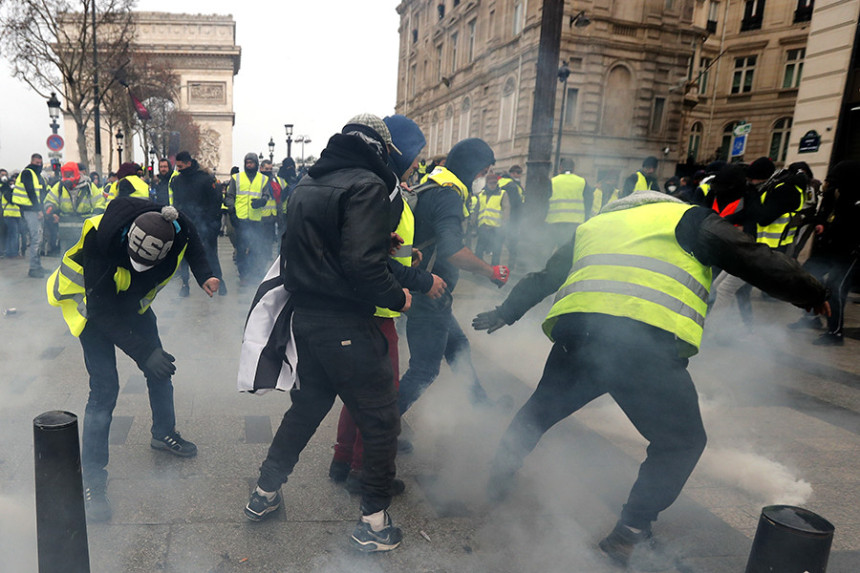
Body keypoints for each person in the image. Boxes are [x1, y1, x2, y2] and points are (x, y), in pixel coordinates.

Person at [472, 188, 829, 569]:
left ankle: (496, 480)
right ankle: (629, 535)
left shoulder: (595, 224)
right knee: (682, 442)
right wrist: (811, 292)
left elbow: (546, 276)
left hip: (579, 336)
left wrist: (505, 312)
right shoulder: (688, 219)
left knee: (539, 411)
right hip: (642, 342)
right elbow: (753, 257)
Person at [245, 114, 410, 553]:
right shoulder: (368, 185)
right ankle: (374, 523)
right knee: (379, 421)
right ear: (379, 148)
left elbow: (310, 248)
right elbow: (361, 266)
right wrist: (399, 297)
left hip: (308, 320)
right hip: (348, 324)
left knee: (307, 409)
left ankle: (263, 494)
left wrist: (374, 243)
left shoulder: (308, 184)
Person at [46, 197, 219, 522]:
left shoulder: (175, 225)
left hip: (131, 303)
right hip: (92, 305)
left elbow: (193, 238)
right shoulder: (102, 241)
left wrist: (204, 274)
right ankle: (93, 482)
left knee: (161, 369)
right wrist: (143, 353)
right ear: (128, 239)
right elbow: (102, 313)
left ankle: (163, 433)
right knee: (105, 390)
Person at [329, 114, 447, 494]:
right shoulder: (385, 191)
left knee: (358, 392)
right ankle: (364, 471)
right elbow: (374, 261)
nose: (418, 163)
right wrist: (421, 280)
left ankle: (342, 459)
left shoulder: (386, 186)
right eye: (415, 155)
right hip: (377, 310)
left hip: (365, 308)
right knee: (381, 397)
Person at [397, 137, 509, 423]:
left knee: (458, 347)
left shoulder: (430, 185)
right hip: (429, 293)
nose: (483, 178)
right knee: (424, 370)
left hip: (431, 293)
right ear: (473, 169)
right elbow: (453, 251)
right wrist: (491, 271)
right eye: (483, 171)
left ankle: (481, 406)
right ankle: (381, 427)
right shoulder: (448, 195)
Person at [796, 160, 860, 345]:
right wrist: (820, 223)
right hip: (831, 248)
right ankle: (810, 318)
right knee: (806, 275)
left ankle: (836, 333)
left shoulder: (855, 200)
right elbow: (827, 215)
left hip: (850, 253)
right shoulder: (835, 195)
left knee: (835, 288)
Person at [170, 151, 226, 297]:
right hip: (184, 224)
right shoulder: (176, 181)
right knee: (183, 257)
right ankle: (185, 284)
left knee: (211, 254)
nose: (179, 169)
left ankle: (219, 281)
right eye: (177, 167)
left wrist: (213, 224)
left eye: (181, 166)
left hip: (205, 225)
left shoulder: (206, 179)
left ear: (189, 163)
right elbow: (176, 202)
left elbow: (215, 202)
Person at [224, 153, 271, 285]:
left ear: (256, 164)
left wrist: (261, 202)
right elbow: (229, 196)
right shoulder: (236, 178)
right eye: (247, 162)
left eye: (251, 162)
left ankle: (252, 271)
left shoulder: (263, 179)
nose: (249, 165)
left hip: (256, 219)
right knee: (241, 248)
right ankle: (243, 275)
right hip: (240, 219)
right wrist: (232, 211)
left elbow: (266, 196)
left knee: (256, 248)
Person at [44, 162, 106, 254]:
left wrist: (94, 220)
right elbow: (50, 200)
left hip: (84, 229)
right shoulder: (60, 186)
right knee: (66, 255)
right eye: (66, 174)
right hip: (65, 229)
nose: (68, 178)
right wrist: (50, 208)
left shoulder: (88, 186)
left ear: (76, 173)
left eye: (70, 174)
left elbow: (99, 203)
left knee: (84, 255)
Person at [12, 153, 48, 277]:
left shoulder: (38, 176)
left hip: (35, 210)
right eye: (37, 163)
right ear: (32, 162)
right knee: (36, 239)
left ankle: (37, 265)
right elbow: (31, 192)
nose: (39, 165)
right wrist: (38, 209)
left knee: (38, 238)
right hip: (30, 211)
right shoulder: (28, 173)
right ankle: (33, 268)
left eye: (40, 163)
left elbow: (42, 194)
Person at [546, 158, 592, 250]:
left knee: (551, 249)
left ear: (560, 168)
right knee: (569, 250)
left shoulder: (552, 181)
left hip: (554, 222)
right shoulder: (582, 182)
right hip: (575, 223)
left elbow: (544, 201)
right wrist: (586, 217)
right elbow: (589, 201)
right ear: (574, 168)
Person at [475, 173, 509, 266]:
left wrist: (504, 224)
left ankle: (494, 270)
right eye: (491, 183)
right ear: (487, 183)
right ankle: (478, 268)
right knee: (479, 250)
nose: (493, 185)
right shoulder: (481, 194)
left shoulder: (502, 194)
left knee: (496, 250)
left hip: (496, 227)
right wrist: (474, 222)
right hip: (483, 226)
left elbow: (506, 209)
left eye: (494, 183)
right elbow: (477, 209)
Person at [498, 165, 525, 270]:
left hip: (497, 217)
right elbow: (516, 203)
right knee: (512, 242)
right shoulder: (512, 185)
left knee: (498, 242)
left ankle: (495, 266)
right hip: (512, 217)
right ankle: (511, 265)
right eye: (518, 173)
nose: (519, 175)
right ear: (512, 173)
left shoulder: (500, 182)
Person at [1, 168, 22, 258]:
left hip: (16, 215)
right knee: (13, 234)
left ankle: (11, 252)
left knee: (13, 234)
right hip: (8, 215)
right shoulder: (5, 190)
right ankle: (11, 253)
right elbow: (12, 200)